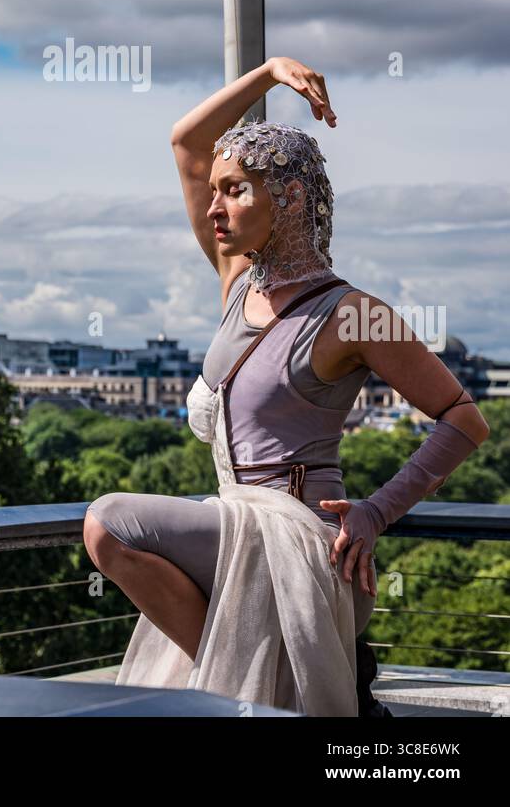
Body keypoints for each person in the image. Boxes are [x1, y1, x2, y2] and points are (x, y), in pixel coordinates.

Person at [83, 56, 490, 712]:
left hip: (301, 546)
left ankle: (251, 685)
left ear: (291, 198)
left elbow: (464, 418)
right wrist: (268, 73)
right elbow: (186, 143)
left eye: (234, 190)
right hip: (234, 531)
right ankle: (262, 682)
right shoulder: (235, 284)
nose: (214, 207)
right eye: (214, 191)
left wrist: (375, 512)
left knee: (107, 524)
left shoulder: (350, 312)